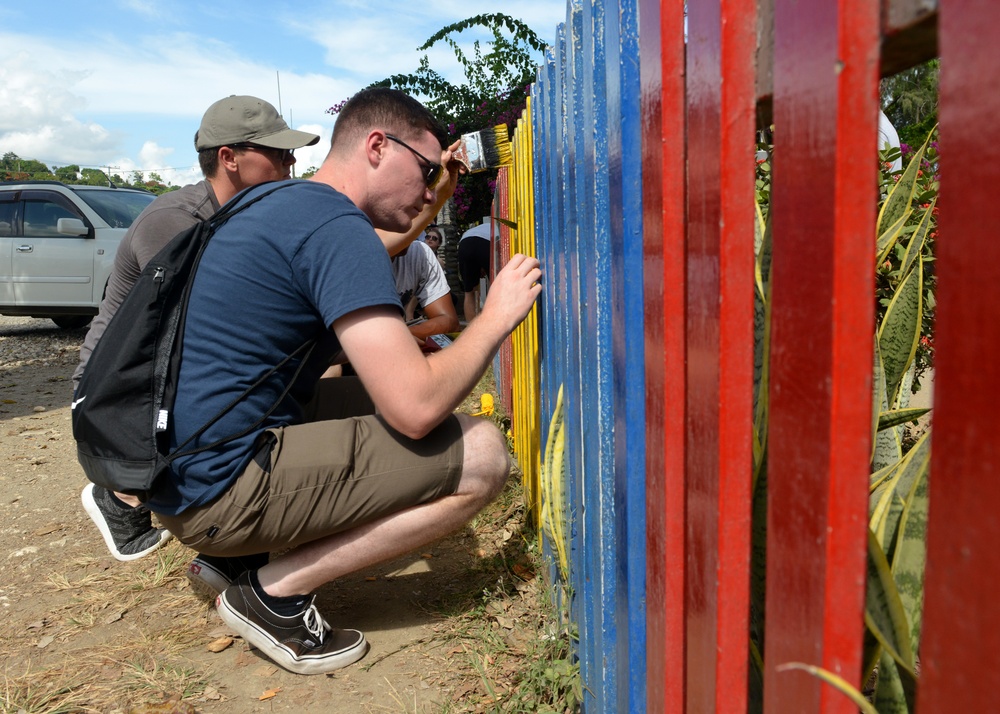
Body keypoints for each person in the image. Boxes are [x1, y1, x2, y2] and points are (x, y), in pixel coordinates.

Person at [138, 87, 541, 675]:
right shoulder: (334, 226)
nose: (431, 187)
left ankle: (239, 560)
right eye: (426, 170)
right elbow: (415, 408)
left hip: (184, 466)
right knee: (482, 453)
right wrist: (495, 318)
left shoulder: (288, 205)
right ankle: (271, 595)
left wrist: (435, 195)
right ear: (378, 146)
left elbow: (381, 246)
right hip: (216, 491)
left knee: (374, 402)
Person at [76, 95, 321, 562]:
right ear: (228, 158)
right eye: (277, 152)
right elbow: (204, 322)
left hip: (162, 367)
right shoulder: (175, 221)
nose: (292, 162)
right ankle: (122, 492)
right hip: (119, 386)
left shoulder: (241, 214)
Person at [391, 237, 458, 338]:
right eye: (428, 237)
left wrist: (400, 336)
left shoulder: (420, 253)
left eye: (434, 238)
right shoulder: (360, 255)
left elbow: (450, 322)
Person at [457, 217, 496, 320]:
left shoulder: (473, 230)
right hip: (487, 242)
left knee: (469, 292)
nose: (482, 276)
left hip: (465, 243)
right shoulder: (497, 229)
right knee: (496, 288)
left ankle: (471, 329)